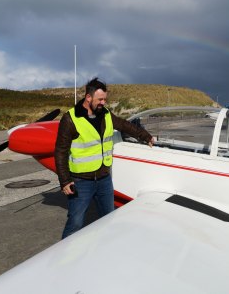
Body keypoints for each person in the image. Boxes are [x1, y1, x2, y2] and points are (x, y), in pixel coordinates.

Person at [54, 77, 154, 239]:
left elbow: (124, 125)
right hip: (81, 182)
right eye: (100, 99)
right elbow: (60, 151)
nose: (103, 103)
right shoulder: (70, 119)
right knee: (75, 223)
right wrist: (65, 180)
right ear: (88, 97)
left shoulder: (106, 114)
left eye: (105, 99)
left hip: (103, 179)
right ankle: (65, 259)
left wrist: (146, 136)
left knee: (109, 219)